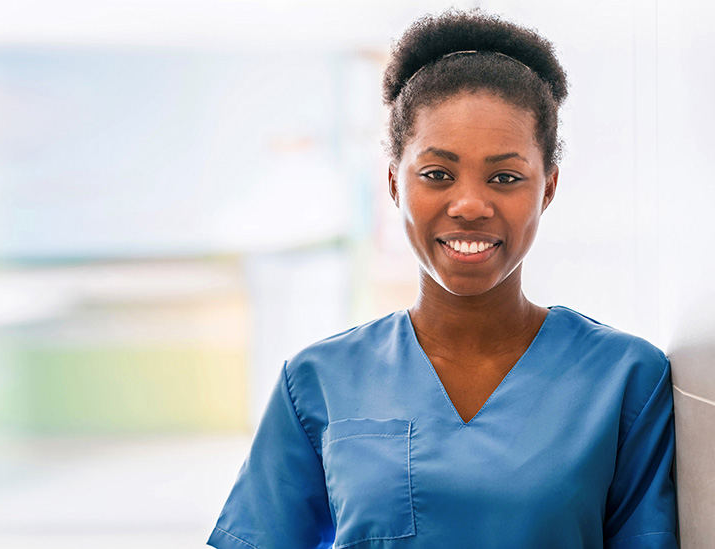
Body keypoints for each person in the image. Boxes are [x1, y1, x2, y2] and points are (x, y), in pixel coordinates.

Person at [207, 9, 678, 549]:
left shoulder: (624, 380)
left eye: (505, 176)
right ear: (393, 182)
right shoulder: (317, 381)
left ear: (546, 188)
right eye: (437, 174)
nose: (470, 204)